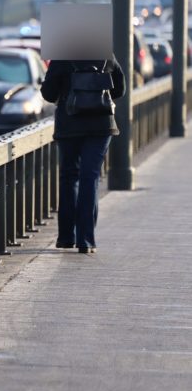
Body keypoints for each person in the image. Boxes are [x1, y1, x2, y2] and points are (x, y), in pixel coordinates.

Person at [40, 54, 125, 253]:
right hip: (101, 124)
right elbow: (120, 89)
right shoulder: (106, 56)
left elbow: (49, 94)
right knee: (90, 177)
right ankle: (85, 240)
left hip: (69, 124)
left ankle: (66, 238)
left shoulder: (63, 57)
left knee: (69, 177)